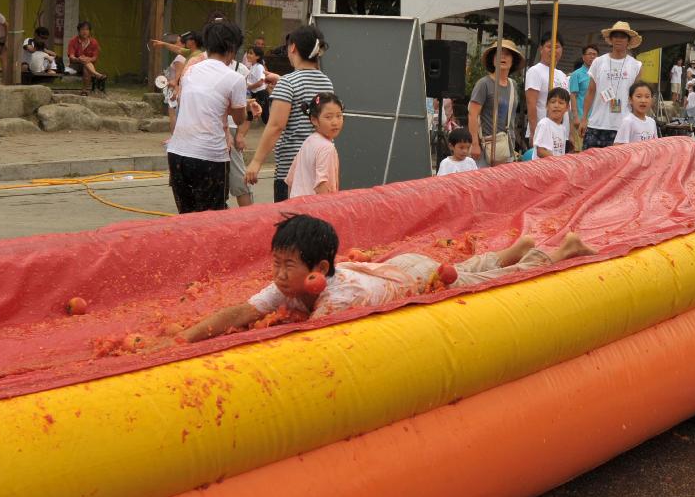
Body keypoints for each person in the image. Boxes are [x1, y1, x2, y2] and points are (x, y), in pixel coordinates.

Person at [177, 214, 597, 342]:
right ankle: (512, 250)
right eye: (276, 264)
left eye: (286, 266)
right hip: (399, 266)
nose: (278, 274)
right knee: (464, 271)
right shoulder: (292, 282)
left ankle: (557, 251)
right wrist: (185, 339)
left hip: (414, 278)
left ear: (319, 271)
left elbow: (308, 342)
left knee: (475, 283)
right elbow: (242, 312)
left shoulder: (338, 299)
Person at [166, 19, 259, 213]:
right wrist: (249, 109)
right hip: (209, 157)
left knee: (187, 217)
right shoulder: (235, 79)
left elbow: (204, 101)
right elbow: (240, 118)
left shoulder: (190, 71)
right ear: (232, 49)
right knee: (211, 220)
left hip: (178, 154)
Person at [245, 25, 334, 202]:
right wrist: (281, 83)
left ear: (292, 47)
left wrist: (256, 161)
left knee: (290, 225)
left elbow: (276, 126)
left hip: (291, 171)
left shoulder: (288, 83)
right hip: (318, 169)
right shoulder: (326, 82)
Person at [580, 21, 643, 149]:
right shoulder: (598, 62)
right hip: (596, 124)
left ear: (628, 41)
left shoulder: (636, 65)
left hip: (623, 126)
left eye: (623, 36)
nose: (619, 39)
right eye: (615, 35)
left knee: (619, 168)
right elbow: (591, 91)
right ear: (611, 39)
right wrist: (584, 119)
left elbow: (636, 96)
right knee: (591, 165)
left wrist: (638, 122)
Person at [468, 39, 525, 167]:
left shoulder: (513, 85)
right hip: (486, 146)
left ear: (513, 60)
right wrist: (474, 144)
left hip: (507, 145)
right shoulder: (484, 84)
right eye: (499, 53)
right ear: (493, 59)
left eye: (507, 54)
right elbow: (472, 115)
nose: (503, 57)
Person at [285, 92, 343, 197]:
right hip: (313, 209)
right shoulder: (327, 147)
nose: (335, 122)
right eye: (328, 117)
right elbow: (322, 186)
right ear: (314, 119)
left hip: (296, 205)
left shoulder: (309, 141)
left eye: (339, 116)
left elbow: (291, 179)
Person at [525, 33, 568, 146]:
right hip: (542, 132)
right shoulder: (535, 71)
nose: (553, 50)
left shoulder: (562, 75)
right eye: (549, 47)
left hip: (560, 132)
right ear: (541, 49)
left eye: (557, 47)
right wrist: (534, 132)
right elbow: (531, 103)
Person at [227, 56, 255, 207]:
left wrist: (240, 134)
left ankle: (250, 219)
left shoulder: (240, 70)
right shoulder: (202, 64)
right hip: (211, 130)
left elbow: (247, 108)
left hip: (232, 128)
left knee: (239, 180)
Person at [568, 44, 599, 151]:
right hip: (582, 118)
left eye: (595, 54)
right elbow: (573, 95)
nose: (592, 57)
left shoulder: (600, 73)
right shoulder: (576, 74)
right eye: (589, 54)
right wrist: (575, 116)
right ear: (583, 57)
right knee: (581, 149)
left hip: (596, 119)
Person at [66, 21, 106, 96]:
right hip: (75, 65)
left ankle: (84, 90)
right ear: (79, 31)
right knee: (85, 63)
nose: (85, 32)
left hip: (88, 66)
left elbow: (94, 57)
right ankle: (97, 75)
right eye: (82, 29)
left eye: (87, 29)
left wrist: (87, 59)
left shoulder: (94, 42)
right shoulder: (73, 41)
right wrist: (79, 59)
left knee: (86, 66)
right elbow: (71, 56)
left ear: (89, 31)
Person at [534, 87, 571, 158]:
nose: (556, 105)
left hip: (556, 167)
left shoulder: (563, 128)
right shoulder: (544, 124)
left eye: (561, 103)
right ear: (547, 105)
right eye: (553, 102)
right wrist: (559, 161)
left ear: (567, 108)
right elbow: (541, 151)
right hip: (544, 167)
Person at [245, 46, 270, 125]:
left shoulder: (259, 67)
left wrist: (248, 87)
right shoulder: (252, 66)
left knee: (265, 115)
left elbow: (260, 82)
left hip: (261, 93)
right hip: (254, 93)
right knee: (251, 111)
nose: (248, 55)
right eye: (248, 53)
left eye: (251, 53)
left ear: (257, 56)